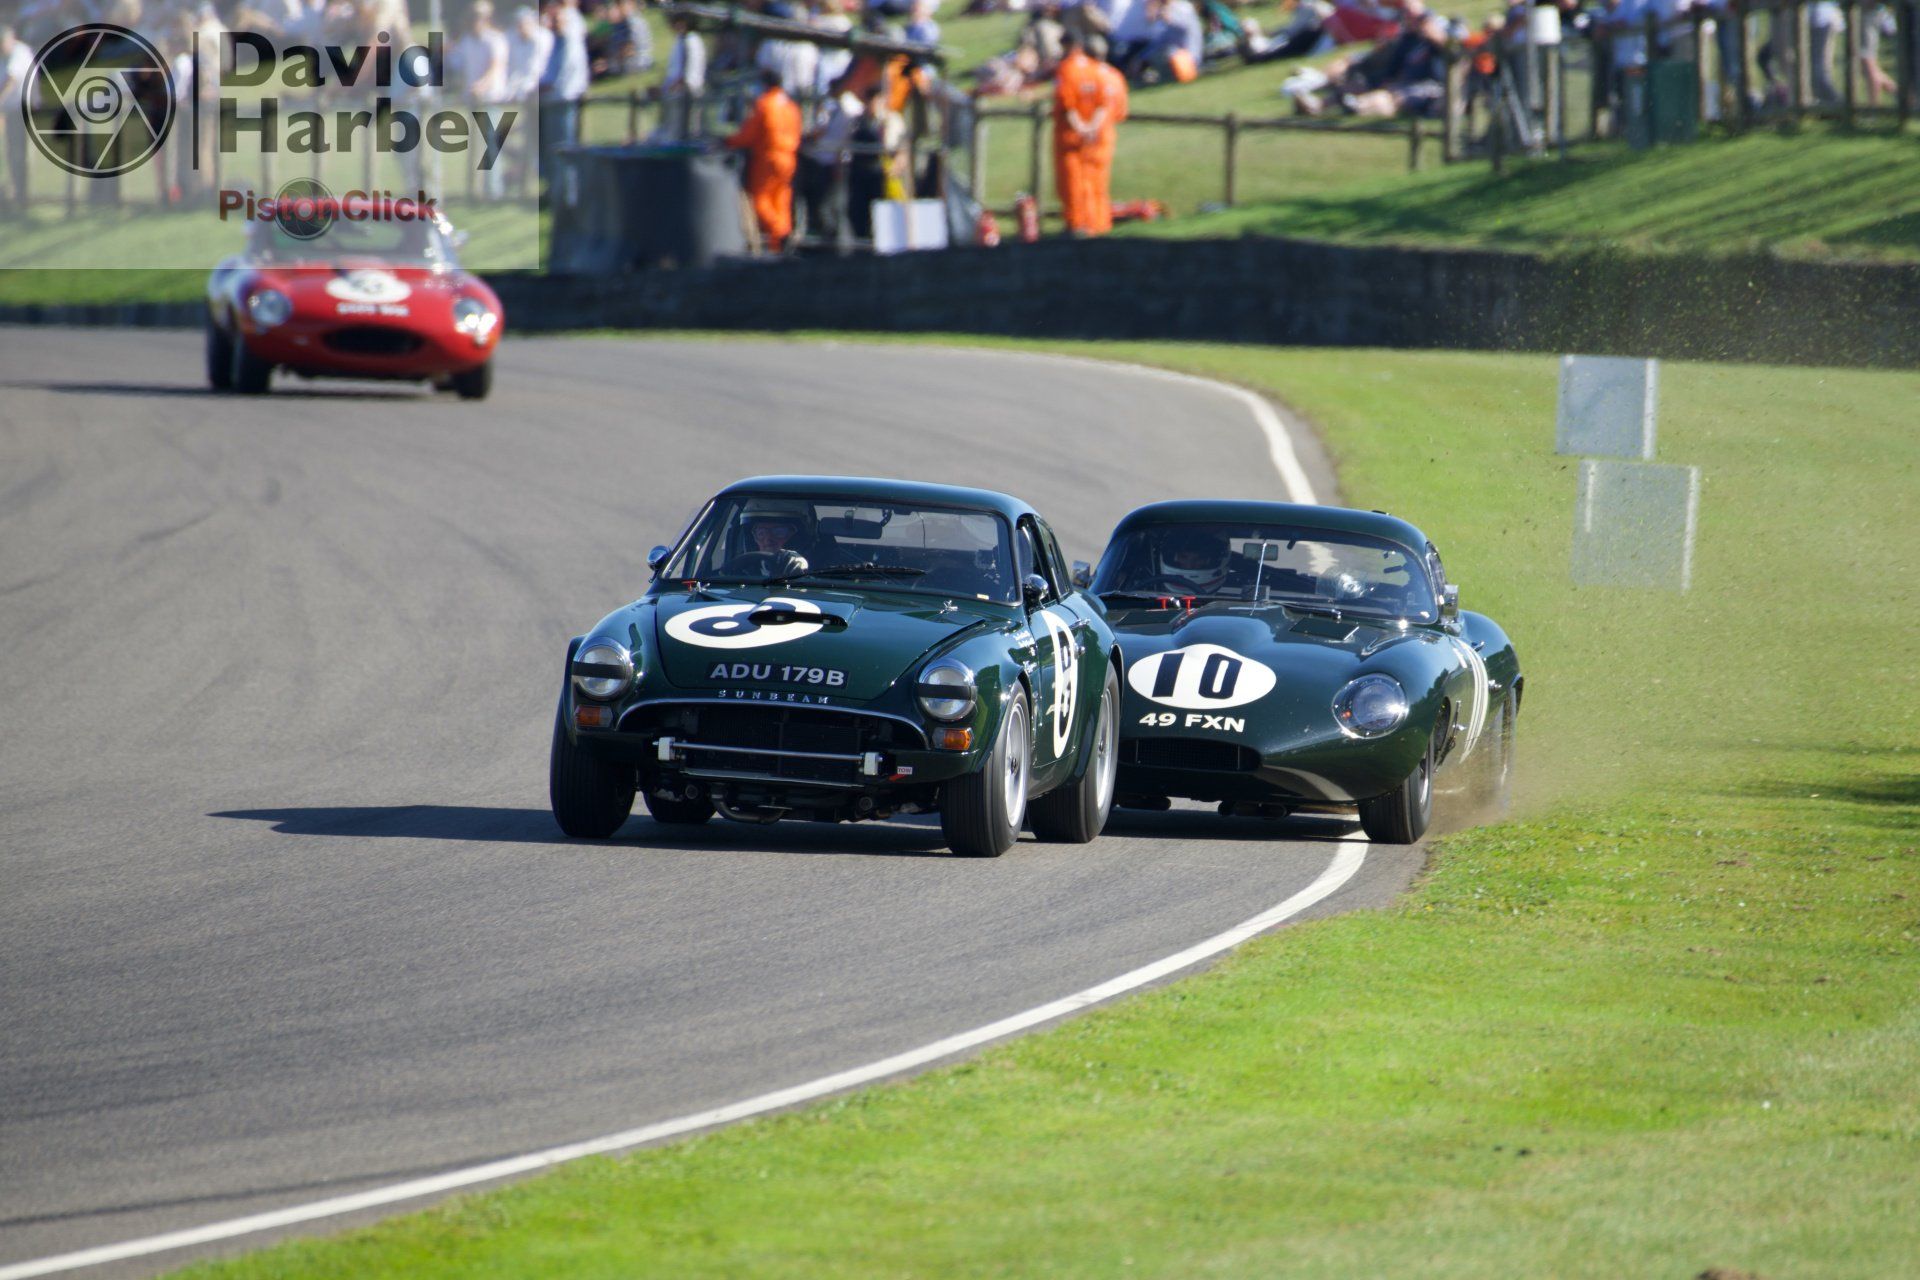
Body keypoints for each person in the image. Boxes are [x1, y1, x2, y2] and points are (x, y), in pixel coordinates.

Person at [726, 68, 804, 251]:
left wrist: (729, 141)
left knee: (761, 200)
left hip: (768, 158)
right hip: (789, 158)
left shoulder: (765, 104)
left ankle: (780, 234)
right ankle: (781, 243)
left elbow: (748, 135)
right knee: (781, 200)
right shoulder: (790, 106)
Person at [1051, 32, 1115, 235]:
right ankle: (1099, 226)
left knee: (1073, 185)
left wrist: (1081, 129)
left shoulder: (1066, 69)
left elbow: (1067, 104)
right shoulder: (1096, 69)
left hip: (1072, 139)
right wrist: (1093, 128)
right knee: (1097, 184)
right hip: (1098, 137)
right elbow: (1103, 104)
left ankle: (1078, 226)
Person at [660, 13, 706, 138]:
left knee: (689, 127)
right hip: (676, 91)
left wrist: (678, 85)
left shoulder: (692, 40)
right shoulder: (679, 40)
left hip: (688, 92)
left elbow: (689, 69)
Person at [1, 25, 31, 210]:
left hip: (24, 109)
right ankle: (14, 194)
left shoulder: (19, 52)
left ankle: (23, 196)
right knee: (12, 154)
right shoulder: (4, 56)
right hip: (10, 110)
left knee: (21, 154)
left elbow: (12, 80)